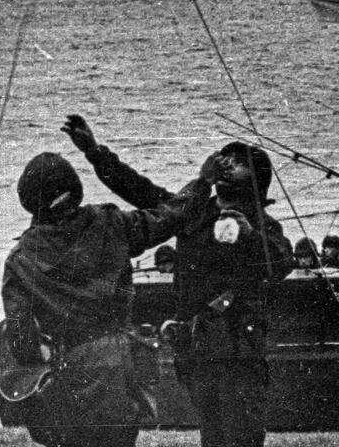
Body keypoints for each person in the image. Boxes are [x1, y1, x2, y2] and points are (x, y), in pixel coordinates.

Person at [59, 115, 294, 447]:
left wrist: (250, 236)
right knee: (212, 435)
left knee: (242, 436)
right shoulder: (193, 212)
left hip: (239, 351)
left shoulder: (261, 223)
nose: (227, 164)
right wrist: (94, 151)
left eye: (239, 162)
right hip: (197, 348)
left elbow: (282, 263)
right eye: (224, 157)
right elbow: (136, 188)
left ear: (257, 180)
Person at [1, 149, 212, 447]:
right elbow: (169, 217)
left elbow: (21, 338)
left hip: (66, 370)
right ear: (75, 188)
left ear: (28, 200)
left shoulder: (20, 258)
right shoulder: (110, 223)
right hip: (120, 364)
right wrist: (202, 182)